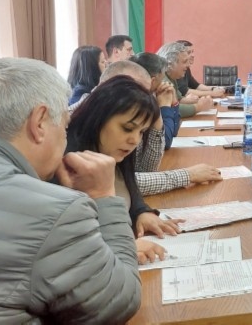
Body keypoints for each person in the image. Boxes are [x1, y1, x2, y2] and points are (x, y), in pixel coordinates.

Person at [0, 57, 141, 322]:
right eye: (64, 125)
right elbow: (120, 300)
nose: (66, 136)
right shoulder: (54, 213)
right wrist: (103, 197)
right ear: (39, 123)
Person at [65, 75, 184, 262]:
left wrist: (140, 211)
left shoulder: (113, 150)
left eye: (141, 131)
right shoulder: (69, 163)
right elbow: (65, 242)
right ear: (99, 117)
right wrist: (121, 246)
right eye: (127, 128)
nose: (134, 140)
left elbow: (127, 184)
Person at [100, 59, 222, 196]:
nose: (134, 140)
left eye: (146, 94)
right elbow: (118, 183)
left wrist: (157, 112)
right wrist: (187, 175)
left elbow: (146, 169)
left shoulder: (131, 119)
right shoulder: (92, 120)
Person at [157, 41, 213, 118]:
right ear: (170, 64)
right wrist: (199, 106)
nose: (188, 65)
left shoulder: (171, 77)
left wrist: (198, 101)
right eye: (184, 62)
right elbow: (173, 110)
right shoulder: (163, 81)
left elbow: (179, 100)